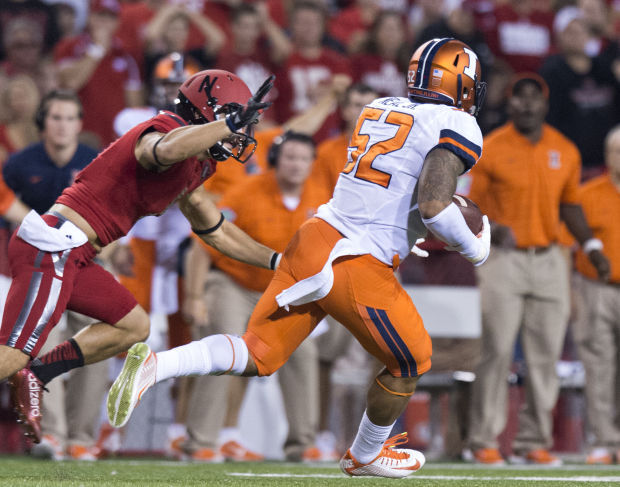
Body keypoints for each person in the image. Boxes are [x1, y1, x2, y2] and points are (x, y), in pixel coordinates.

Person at [109, 37, 492, 479]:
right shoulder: (456, 123)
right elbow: (435, 206)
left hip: (314, 238)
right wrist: (475, 247)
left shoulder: (384, 106)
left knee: (258, 353)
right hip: (355, 261)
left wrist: (409, 230)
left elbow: (393, 189)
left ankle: (158, 366)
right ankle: (365, 453)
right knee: (411, 361)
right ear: (459, 81)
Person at [0, 68, 278, 446]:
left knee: (133, 326)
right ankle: (27, 369)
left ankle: (39, 374)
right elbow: (163, 150)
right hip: (55, 247)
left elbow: (217, 230)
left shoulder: (197, 162)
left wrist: (279, 261)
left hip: (78, 253)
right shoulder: (164, 129)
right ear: (208, 112)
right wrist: (226, 124)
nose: (241, 132)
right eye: (236, 118)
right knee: (12, 355)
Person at [465, 73, 610, 466]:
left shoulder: (564, 149)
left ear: (545, 104)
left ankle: (534, 441)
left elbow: (571, 205)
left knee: (545, 355)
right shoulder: (490, 147)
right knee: (497, 349)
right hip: (503, 260)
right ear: (509, 104)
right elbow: (467, 206)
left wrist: (592, 245)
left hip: (550, 258)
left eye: (534, 98)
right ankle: (484, 440)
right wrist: (491, 226)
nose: (527, 104)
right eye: (519, 97)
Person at [181, 132, 330, 462]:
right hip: (233, 282)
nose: (296, 165)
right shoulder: (246, 191)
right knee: (225, 346)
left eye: (303, 158)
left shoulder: (321, 199)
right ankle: (201, 441)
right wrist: (194, 295)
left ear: (311, 164)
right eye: (289, 157)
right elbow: (204, 244)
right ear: (276, 160)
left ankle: (303, 444)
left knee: (304, 353)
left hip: (284, 292)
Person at [2, 90, 108, 460]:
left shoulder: (97, 161)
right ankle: (52, 436)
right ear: (42, 124)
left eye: (69, 118)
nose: (62, 125)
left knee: (99, 344)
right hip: (37, 267)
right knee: (43, 346)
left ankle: (82, 435)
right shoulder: (18, 164)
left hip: (88, 262)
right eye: (55, 118)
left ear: (80, 124)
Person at [572, 125, 620, 464]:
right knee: (598, 366)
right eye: (617, 150)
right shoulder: (586, 195)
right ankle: (603, 441)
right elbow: (566, 245)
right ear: (607, 156)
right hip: (595, 290)